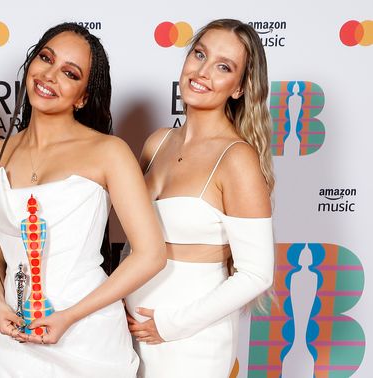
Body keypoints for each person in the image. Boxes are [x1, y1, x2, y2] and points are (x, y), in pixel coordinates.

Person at [0, 23, 166, 377]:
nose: (49, 75)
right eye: (45, 58)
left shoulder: (109, 153)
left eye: (69, 73)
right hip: (13, 343)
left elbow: (151, 255)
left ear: (81, 97)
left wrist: (70, 316)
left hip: (86, 337)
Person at [124, 19, 275, 377]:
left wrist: (172, 325)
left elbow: (256, 274)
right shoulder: (157, 142)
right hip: (130, 329)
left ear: (239, 88)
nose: (202, 72)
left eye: (223, 67)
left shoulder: (237, 158)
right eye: (199, 54)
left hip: (191, 340)